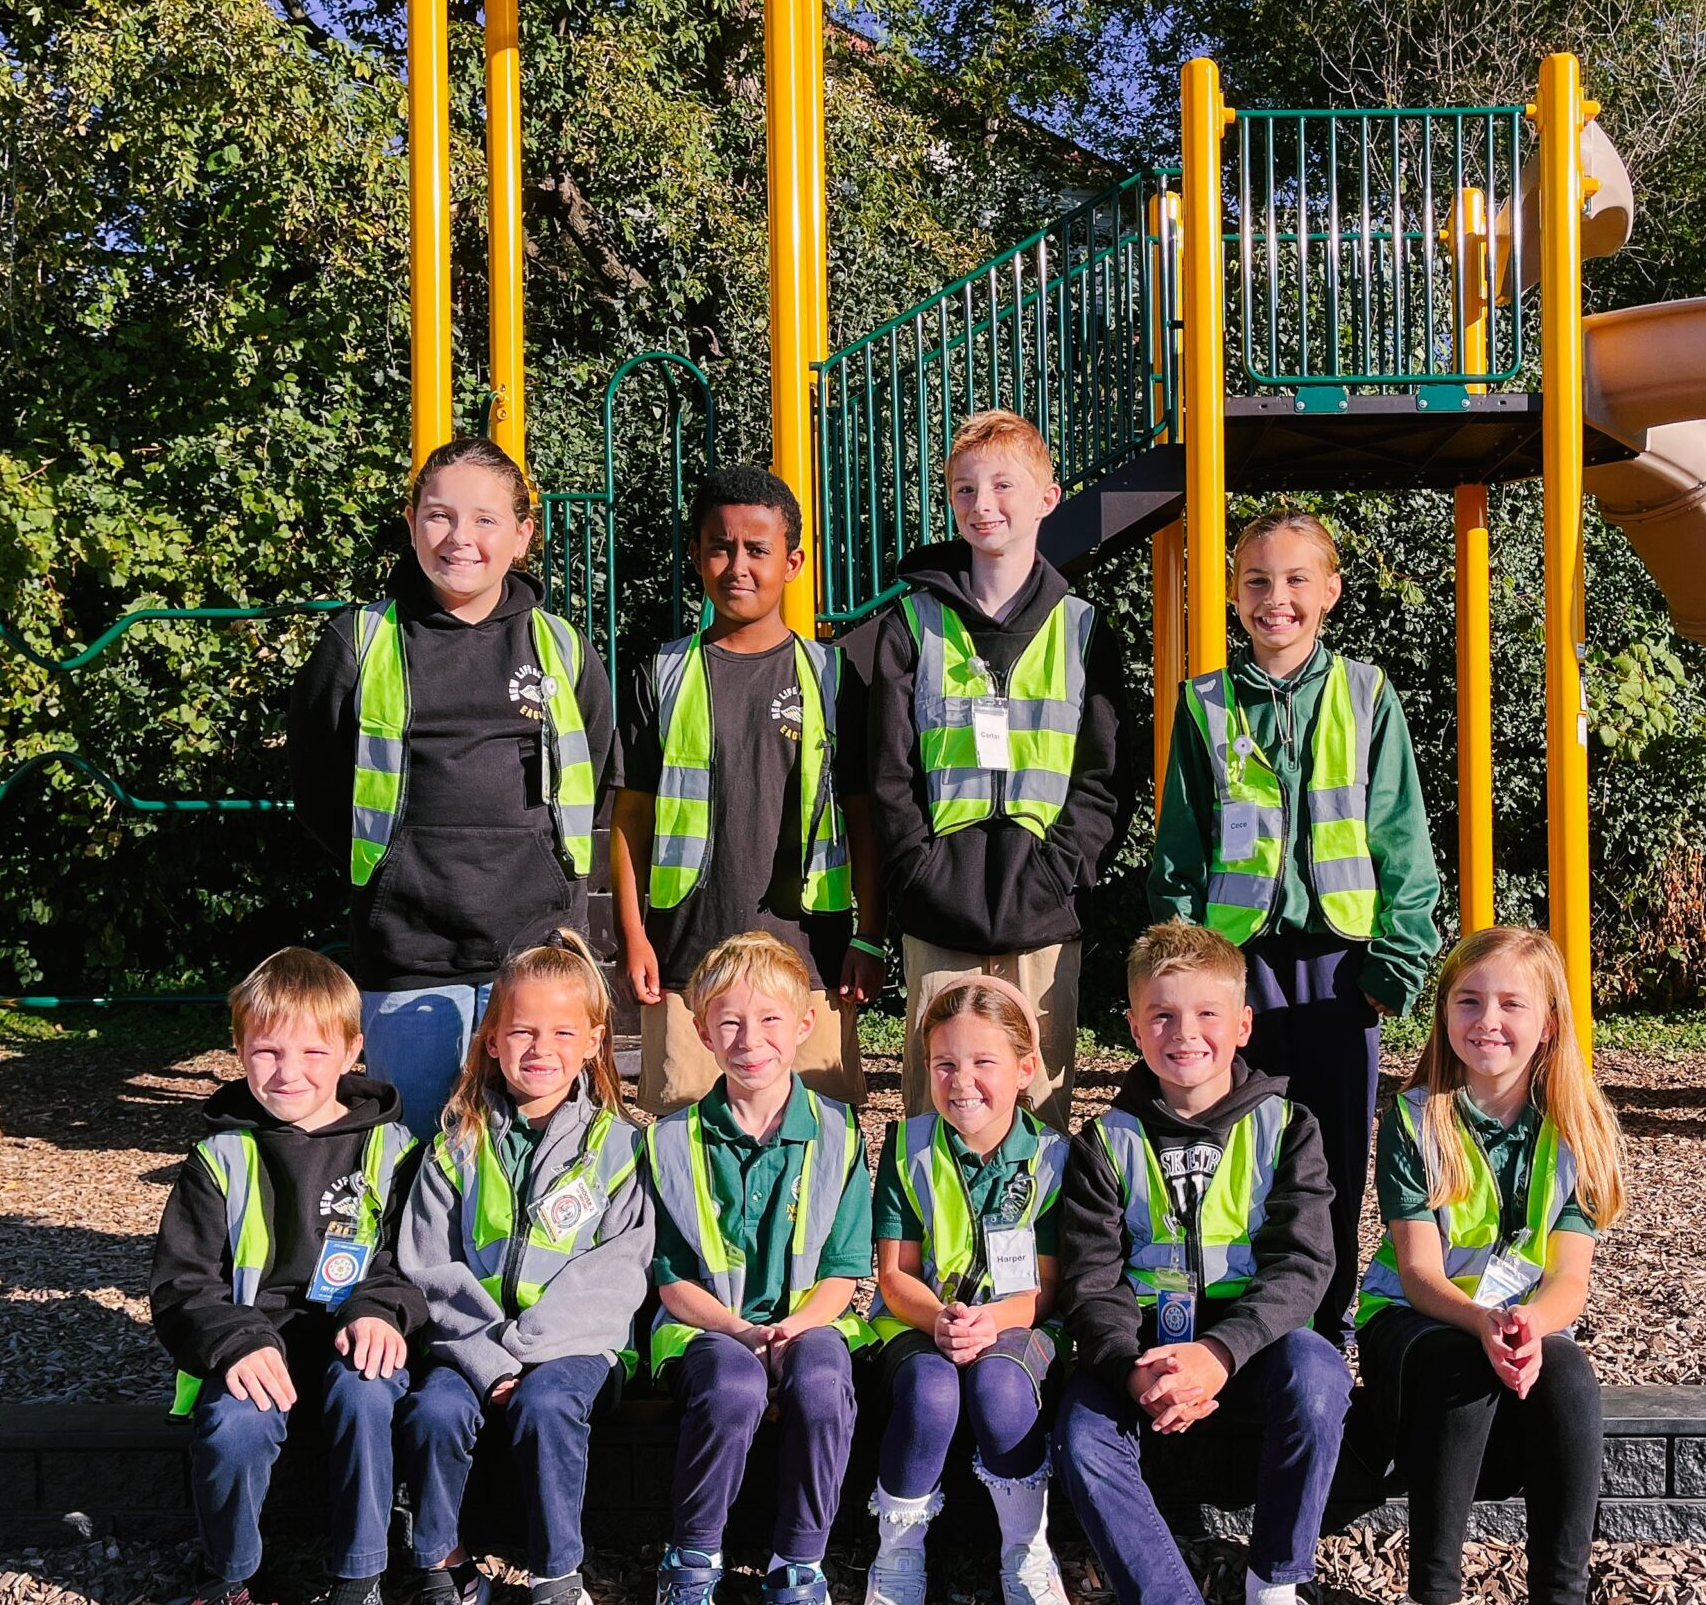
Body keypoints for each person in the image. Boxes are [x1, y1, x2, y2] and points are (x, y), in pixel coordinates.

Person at [1053, 919, 1360, 1605]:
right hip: (1143, 1358)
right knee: (1081, 1434)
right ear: (1132, 1024)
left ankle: (1276, 1594)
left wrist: (1219, 1357)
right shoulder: (1103, 1143)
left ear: (1244, 1024)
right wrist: (1132, 1367)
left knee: (1319, 1373)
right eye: (1160, 1016)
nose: (1183, 1035)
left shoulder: (1290, 1126)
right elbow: (1091, 1283)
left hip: (1245, 1351)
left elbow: (1305, 1267)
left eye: (1204, 1015)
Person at [1148, 508, 1442, 1342]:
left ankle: (1321, 1316)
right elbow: (1180, 849)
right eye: (1257, 581)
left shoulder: (1365, 693)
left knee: (1335, 1152)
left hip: (1343, 970)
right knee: (1236, 1143)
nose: (1276, 598)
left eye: (1296, 580)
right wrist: (1175, 971)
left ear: (1331, 592)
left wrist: (1394, 973)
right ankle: (1238, 1310)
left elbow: (1401, 842)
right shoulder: (1205, 704)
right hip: (1232, 971)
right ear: (1234, 596)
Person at [289, 434, 617, 1138]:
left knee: (536, 1156)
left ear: (523, 535)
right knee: (409, 1158)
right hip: (408, 954)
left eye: (485, 519)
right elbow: (317, 791)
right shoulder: (360, 641)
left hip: (537, 952)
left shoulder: (561, 647)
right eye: (439, 516)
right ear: (411, 524)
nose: (460, 538)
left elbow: (596, 779)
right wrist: (388, 872)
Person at [1356, 924, 1628, 1605]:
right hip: (1419, 1322)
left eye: (1512, 1003)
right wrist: (1484, 1322)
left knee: (1574, 1379)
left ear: (1549, 1022)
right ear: (1443, 1016)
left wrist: (1529, 1328)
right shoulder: (1414, 1118)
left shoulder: (1577, 1128)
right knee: (1455, 1365)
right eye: (1468, 1001)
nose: (1487, 1020)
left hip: (1516, 1322)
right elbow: (1419, 1273)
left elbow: (1569, 1280)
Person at [148, 947, 424, 1605]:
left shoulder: (395, 1152)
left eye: (312, 1050)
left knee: (368, 1395)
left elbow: (419, 1261)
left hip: (354, 1340)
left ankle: (356, 1598)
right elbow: (181, 1285)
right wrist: (234, 1341)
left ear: (352, 1051)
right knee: (231, 1425)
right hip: (251, 1350)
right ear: (238, 1052)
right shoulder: (216, 1158)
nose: (288, 1071)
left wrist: (381, 1307)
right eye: (266, 1050)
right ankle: (230, 1583)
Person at [391, 933, 653, 1605]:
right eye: (524, 1031)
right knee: (434, 1413)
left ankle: (555, 1581)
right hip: (469, 1348)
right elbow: (427, 1267)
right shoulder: (454, 1146)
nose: (542, 1048)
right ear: (493, 1039)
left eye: (563, 1032)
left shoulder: (617, 1147)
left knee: (546, 1407)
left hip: (576, 1347)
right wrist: (494, 1357)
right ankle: (445, 1572)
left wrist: (530, 1351)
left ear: (594, 1042)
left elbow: (618, 1270)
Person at [856, 409, 1130, 1130]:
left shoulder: (1086, 628)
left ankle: (1037, 1247)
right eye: (965, 490)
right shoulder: (910, 625)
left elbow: (1104, 777)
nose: (984, 506)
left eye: (1003, 486)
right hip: (937, 907)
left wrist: (1063, 867)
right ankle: (933, 1244)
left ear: (1048, 497)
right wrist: (917, 868)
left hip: (1045, 910)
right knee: (935, 1101)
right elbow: (889, 772)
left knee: (1039, 1107)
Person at [609, 465, 884, 1115]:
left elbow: (867, 820)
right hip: (685, 962)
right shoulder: (661, 676)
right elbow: (630, 817)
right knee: (684, 1154)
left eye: (757, 550)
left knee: (813, 1152)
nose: (738, 565)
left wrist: (869, 936)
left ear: (792, 562)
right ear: (697, 559)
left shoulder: (835, 677)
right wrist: (633, 936)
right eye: (720, 547)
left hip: (811, 965)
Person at [638, 932, 873, 1605]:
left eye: (770, 1021)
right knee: (734, 1388)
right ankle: (692, 1563)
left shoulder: (839, 1133)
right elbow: (672, 1279)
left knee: (820, 1382)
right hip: (709, 1326)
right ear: (702, 1031)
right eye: (729, 1023)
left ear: (805, 1023)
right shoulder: (670, 1140)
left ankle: (799, 1571)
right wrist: (744, 1333)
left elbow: (843, 1270)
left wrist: (793, 1331)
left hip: (809, 1323)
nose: (751, 1041)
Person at [857, 978, 1078, 1605]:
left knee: (1001, 1390)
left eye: (983, 1063)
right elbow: (894, 1275)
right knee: (930, 1393)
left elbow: (1047, 1283)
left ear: (1024, 1067)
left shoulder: (1055, 1157)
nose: (962, 1083)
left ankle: (1025, 1553)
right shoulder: (906, 1147)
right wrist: (943, 1321)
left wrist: (988, 1325)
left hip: (1016, 1320)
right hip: (921, 1319)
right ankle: (897, 1561)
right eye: (945, 1064)